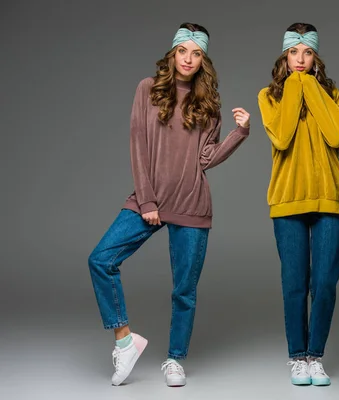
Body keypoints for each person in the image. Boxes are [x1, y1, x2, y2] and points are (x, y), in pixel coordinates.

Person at [88, 22, 250, 387]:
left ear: (203, 59)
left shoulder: (208, 104)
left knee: (184, 290)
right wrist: (146, 199)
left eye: (196, 53)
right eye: (183, 51)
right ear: (173, 53)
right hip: (150, 201)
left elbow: (206, 157)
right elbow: (138, 146)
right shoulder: (147, 90)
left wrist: (240, 133)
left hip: (192, 203)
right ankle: (125, 340)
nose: (188, 59)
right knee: (101, 260)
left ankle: (175, 360)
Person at [257, 22, 339, 386]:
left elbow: (335, 133)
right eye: (293, 53)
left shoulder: (333, 94)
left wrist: (310, 85)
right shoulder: (269, 95)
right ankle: (297, 357)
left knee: (325, 281)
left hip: (331, 196)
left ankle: (316, 356)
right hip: (287, 198)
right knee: (294, 282)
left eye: (307, 53)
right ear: (284, 55)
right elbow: (281, 137)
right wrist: (296, 84)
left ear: (315, 57)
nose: (300, 60)